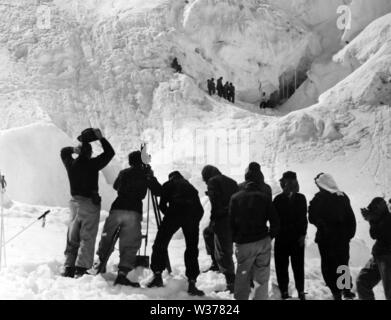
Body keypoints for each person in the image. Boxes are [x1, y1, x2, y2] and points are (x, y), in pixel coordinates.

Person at [94, 151, 161, 286]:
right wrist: (150, 176)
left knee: (107, 238)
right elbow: (158, 191)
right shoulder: (145, 174)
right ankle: (123, 274)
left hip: (117, 208)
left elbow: (115, 186)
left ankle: (100, 263)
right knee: (129, 244)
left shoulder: (124, 173)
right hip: (133, 210)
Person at [60, 129, 115, 278]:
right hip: (89, 204)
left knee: (72, 236)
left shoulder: (71, 164)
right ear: (90, 153)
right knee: (87, 236)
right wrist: (101, 138)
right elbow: (110, 153)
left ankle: (68, 266)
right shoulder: (93, 164)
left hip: (74, 203)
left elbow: (64, 152)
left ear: (79, 152)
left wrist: (73, 149)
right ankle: (81, 268)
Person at [147, 171, 205, 296]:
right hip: (193, 215)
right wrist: (194, 221)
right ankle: (192, 282)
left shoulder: (170, 184)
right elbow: (200, 209)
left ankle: (157, 275)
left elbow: (161, 202)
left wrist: (170, 217)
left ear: (171, 177)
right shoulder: (190, 187)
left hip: (176, 212)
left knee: (160, 244)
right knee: (191, 248)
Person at [229, 173, 280, 300]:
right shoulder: (264, 197)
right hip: (262, 241)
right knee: (262, 278)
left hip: (244, 243)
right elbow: (275, 221)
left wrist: (236, 239)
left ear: (246, 182)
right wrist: (269, 237)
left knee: (243, 275)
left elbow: (230, 223)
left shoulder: (235, 198)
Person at [309, 173, 357, 300]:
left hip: (328, 240)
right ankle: (344, 291)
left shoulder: (319, 198)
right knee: (341, 264)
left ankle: (337, 292)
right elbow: (351, 218)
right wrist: (349, 235)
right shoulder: (341, 196)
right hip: (339, 239)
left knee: (330, 266)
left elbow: (312, 217)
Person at [202, 165, 238, 293]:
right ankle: (215, 264)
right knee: (207, 233)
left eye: (205, 180)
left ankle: (231, 283)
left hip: (222, 219)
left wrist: (213, 221)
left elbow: (216, 204)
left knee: (223, 250)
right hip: (235, 218)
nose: (206, 183)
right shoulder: (232, 181)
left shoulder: (213, 182)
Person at [273, 171, 308, 300]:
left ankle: (290, 291)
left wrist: (303, 234)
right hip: (293, 238)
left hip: (286, 239)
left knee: (285, 266)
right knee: (295, 266)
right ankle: (296, 291)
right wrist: (303, 234)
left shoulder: (279, 199)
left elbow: (303, 218)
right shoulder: (300, 198)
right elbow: (303, 219)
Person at [356, 198, 391, 300]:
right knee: (362, 282)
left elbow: (382, 232)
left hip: (387, 257)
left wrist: (372, 218)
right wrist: (372, 218)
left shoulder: (386, 218)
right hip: (379, 256)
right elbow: (374, 234)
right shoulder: (383, 216)